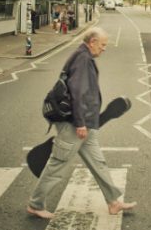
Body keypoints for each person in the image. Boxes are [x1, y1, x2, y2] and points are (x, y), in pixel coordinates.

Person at [27, 27, 136, 219]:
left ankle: (113, 202)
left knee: (98, 163)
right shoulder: (83, 59)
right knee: (58, 164)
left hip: (87, 124)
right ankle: (36, 204)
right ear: (92, 41)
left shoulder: (84, 56)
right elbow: (77, 93)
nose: (104, 49)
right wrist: (80, 123)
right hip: (75, 124)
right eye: (102, 45)